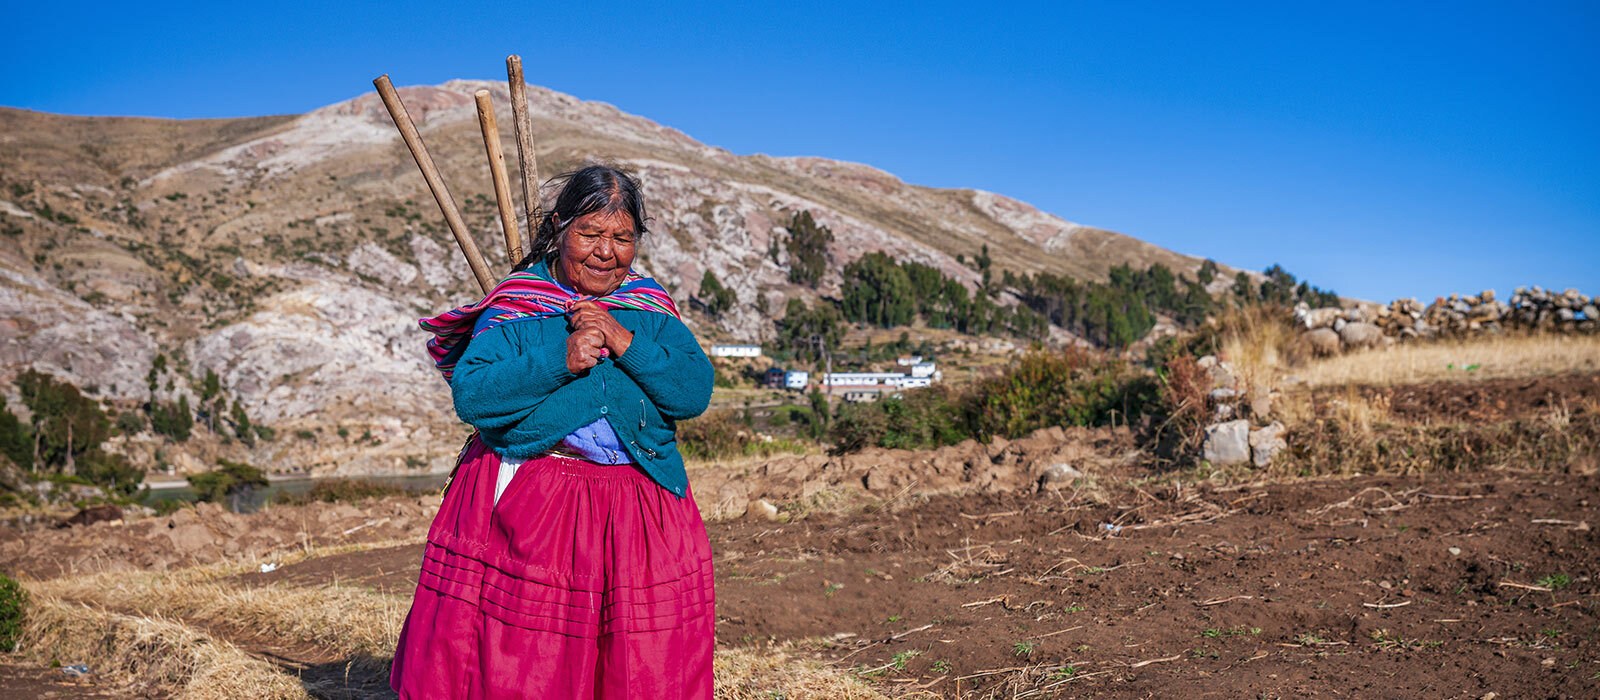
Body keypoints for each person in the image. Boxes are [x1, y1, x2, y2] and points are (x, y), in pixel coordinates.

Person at [390, 165, 716, 698]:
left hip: (640, 502)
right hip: (534, 498)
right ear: (559, 227)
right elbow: (473, 395)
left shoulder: (649, 307)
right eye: (589, 234)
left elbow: (691, 393)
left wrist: (623, 339)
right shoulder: (519, 303)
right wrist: (558, 358)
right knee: (523, 658)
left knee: (638, 657)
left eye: (622, 238)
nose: (605, 251)